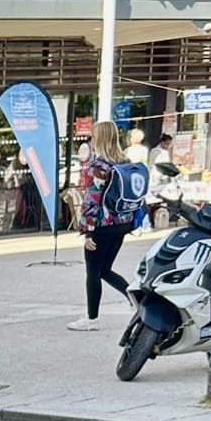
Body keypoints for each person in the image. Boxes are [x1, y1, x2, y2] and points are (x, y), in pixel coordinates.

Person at [68, 119, 137, 331]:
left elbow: (92, 199)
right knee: (105, 269)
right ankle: (137, 299)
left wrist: (87, 232)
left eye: (94, 135)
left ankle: (91, 319)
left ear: (101, 138)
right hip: (122, 222)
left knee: (94, 271)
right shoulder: (124, 162)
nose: (91, 139)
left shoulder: (99, 166)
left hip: (102, 225)